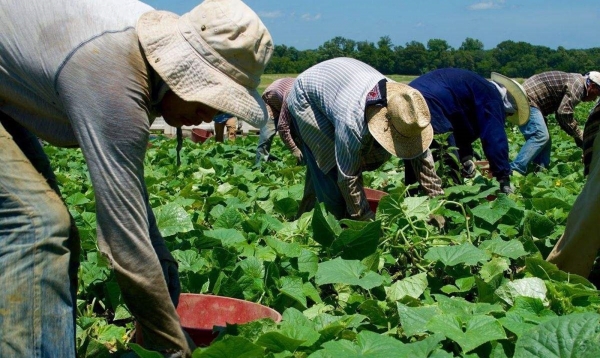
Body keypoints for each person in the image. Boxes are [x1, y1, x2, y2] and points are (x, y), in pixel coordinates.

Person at [0, 0, 272, 356]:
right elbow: (123, 242)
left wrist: (163, 262)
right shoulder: (114, 73)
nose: (209, 113)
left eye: (223, 104)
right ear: (178, 71)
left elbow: (129, 197)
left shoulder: (140, 59)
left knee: (51, 232)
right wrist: (175, 348)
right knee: (38, 226)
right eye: (209, 94)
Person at [287, 57, 433, 220]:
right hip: (307, 94)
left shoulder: (407, 106)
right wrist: (365, 218)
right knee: (329, 169)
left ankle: (305, 217)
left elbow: (424, 160)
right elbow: (348, 176)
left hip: (340, 84)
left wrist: (436, 203)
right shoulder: (352, 121)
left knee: (321, 172)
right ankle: (333, 227)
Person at [404, 69, 529, 196]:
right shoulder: (492, 97)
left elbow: (459, 126)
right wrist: (504, 178)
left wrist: (466, 157)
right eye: (508, 115)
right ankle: (450, 202)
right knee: (446, 157)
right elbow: (495, 138)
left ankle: (411, 195)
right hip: (428, 102)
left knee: (413, 150)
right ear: (508, 107)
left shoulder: (477, 87)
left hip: (404, 98)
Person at [546, 100, 600, 280]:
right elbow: (563, 112)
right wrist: (578, 134)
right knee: (594, 206)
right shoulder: (574, 86)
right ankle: (562, 276)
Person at [511, 71, 600, 175]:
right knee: (540, 136)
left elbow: (561, 116)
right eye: (596, 95)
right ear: (592, 86)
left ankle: (540, 172)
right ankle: (514, 170)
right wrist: (580, 137)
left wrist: (578, 137)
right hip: (528, 99)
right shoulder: (579, 86)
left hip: (531, 101)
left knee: (545, 140)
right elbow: (563, 113)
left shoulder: (578, 82)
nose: (594, 99)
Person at [255, 77, 302, 164]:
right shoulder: (291, 96)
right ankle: (259, 166)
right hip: (269, 102)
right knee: (267, 135)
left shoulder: (307, 96)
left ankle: (302, 163)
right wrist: (294, 149)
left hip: (282, 100)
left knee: (298, 134)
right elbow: (283, 127)